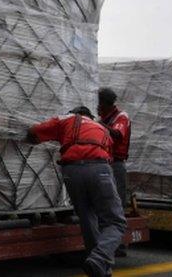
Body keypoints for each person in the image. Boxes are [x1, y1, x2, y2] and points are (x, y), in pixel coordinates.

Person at [27, 106, 126, 277]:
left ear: (73, 114)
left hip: (71, 172)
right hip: (99, 169)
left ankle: (100, 268)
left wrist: (31, 138)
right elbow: (108, 155)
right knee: (115, 222)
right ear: (90, 117)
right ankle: (99, 259)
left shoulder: (66, 120)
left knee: (87, 219)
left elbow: (34, 131)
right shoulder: (101, 128)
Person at [97, 87, 131, 257]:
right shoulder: (105, 118)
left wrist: (97, 124)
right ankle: (111, 242)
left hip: (116, 165)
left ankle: (120, 244)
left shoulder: (120, 117)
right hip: (105, 164)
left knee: (117, 205)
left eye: (99, 104)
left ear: (104, 104)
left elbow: (117, 134)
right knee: (106, 204)